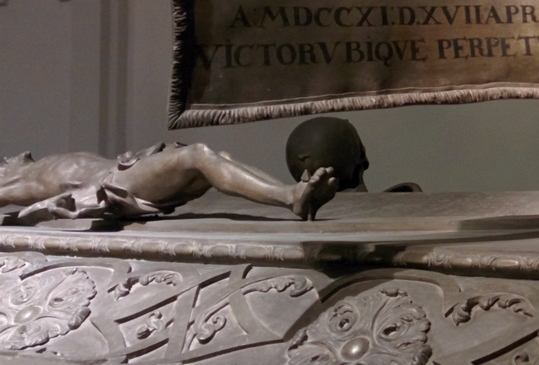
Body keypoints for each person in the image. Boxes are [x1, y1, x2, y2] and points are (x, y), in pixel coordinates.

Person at [0, 142, 339, 224]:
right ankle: (290, 197)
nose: (16, 155)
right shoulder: (19, 180)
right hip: (116, 183)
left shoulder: (36, 165)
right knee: (198, 156)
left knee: (217, 158)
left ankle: (293, 195)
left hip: (129, 166)